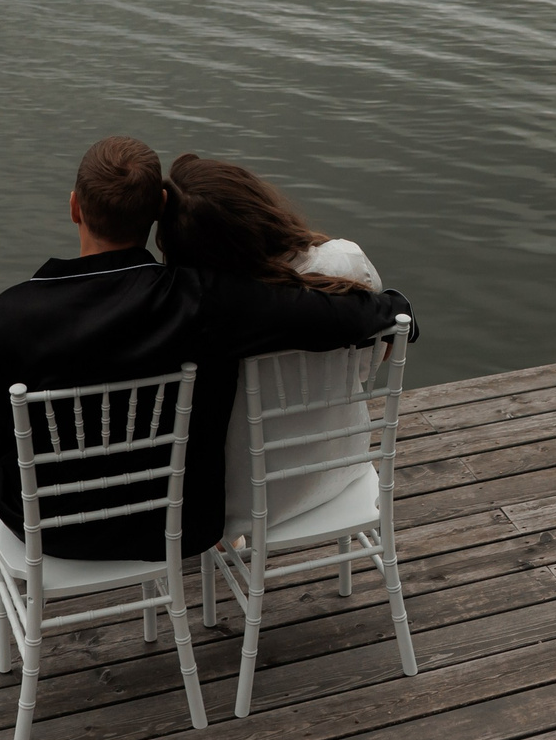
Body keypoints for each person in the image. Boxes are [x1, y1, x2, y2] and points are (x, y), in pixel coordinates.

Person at [0, 136, 413, 562]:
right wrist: (395, 311)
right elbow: (322, 315)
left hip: (40, 529)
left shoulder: (8, 315)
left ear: (75, 208)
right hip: (173, 527)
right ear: (159, 209)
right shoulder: (198, 300)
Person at [156, 154, 387, 532]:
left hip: (239, 501)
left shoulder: (197, 311)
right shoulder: (346, 264)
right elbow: (366, 366)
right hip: (343, 467)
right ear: (258, 204)